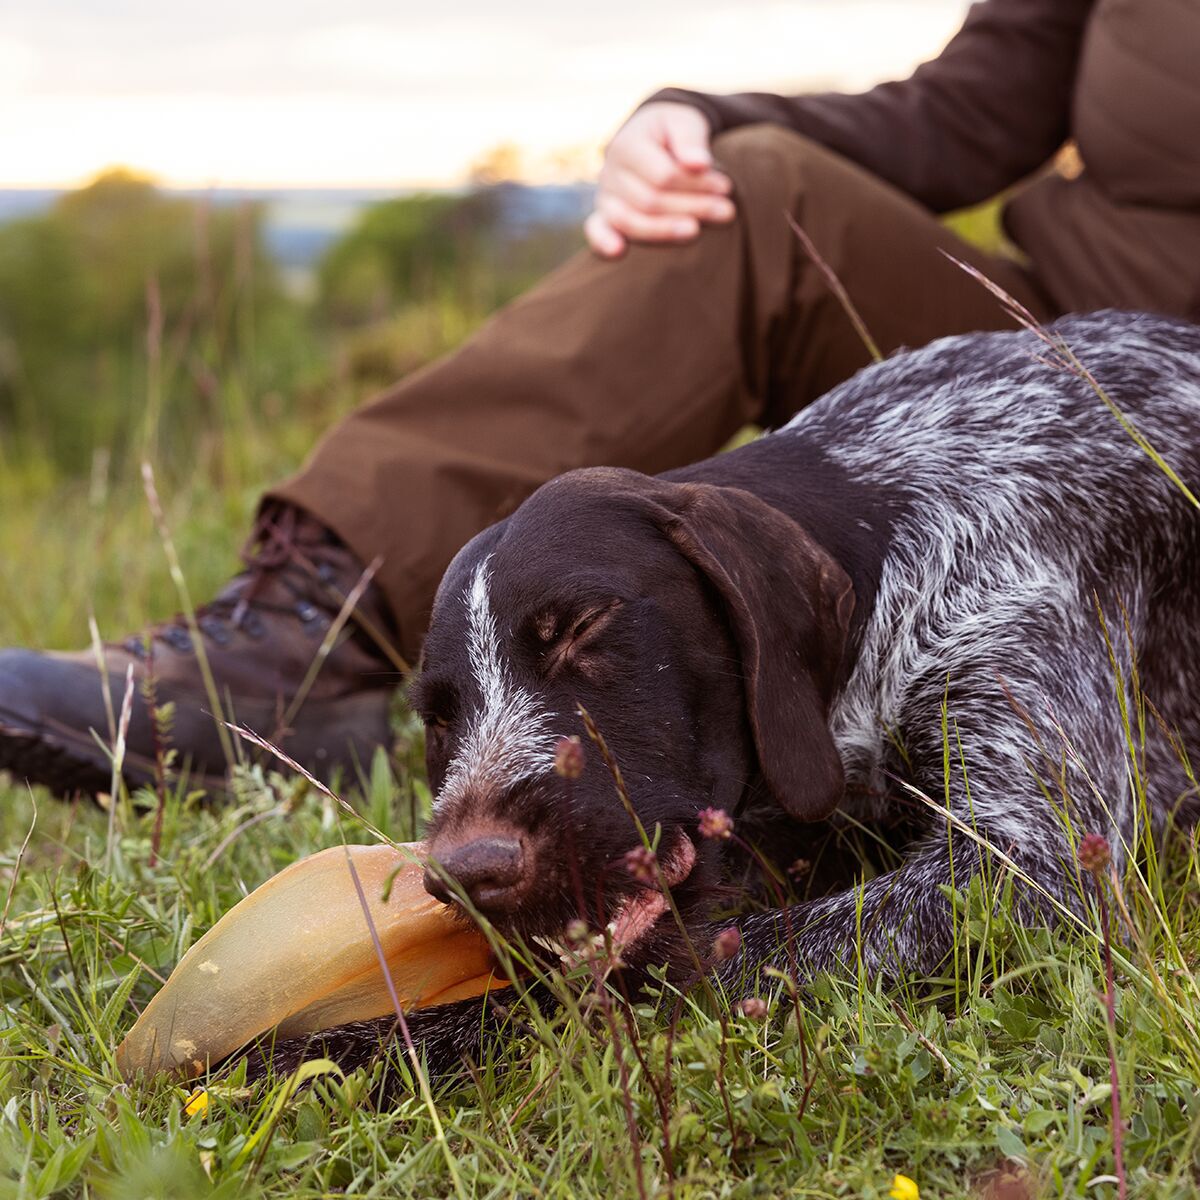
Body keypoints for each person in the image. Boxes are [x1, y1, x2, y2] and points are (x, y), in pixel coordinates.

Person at [1, 0, 1196, 796]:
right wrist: (699, 122)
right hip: (1065, 326)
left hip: (1172, 396)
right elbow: (969, 114)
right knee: (748, 194)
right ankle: (300, 650)